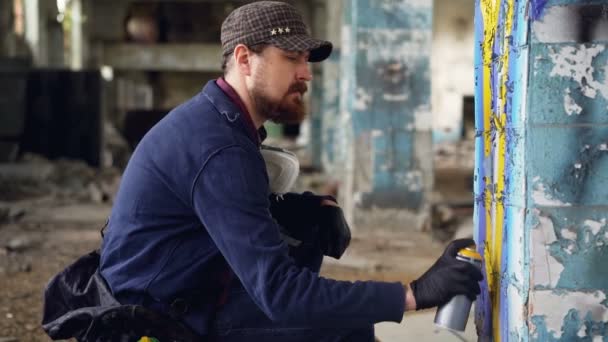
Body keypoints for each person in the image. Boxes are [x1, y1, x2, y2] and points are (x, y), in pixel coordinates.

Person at [98, 1, 483, 341]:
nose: (306, 73)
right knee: (342, 325)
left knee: (307, 236)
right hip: (153, 320)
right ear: (245, 59)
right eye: (291, 58)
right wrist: (415, 293)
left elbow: (217, 211)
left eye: (306, 60)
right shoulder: (219, 147)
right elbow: (282, 295)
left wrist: (298, 210)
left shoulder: (222, 122)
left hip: (178, 286)